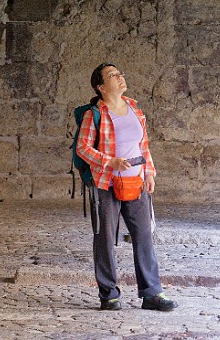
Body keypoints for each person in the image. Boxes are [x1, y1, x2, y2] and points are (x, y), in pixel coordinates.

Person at [75, 62, 178, 312]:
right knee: (105, 239)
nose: (120, 77)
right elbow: (83, 148)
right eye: (112, 75)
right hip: (105, 183)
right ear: (100, 87)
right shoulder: (94, 114)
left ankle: (151, 293)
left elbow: (144, 146)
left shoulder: (134, 109)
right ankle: (108, 295)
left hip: (136, 182)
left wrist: (150, 172)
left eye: (120, 73)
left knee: (144, 236)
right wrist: (110, 162)